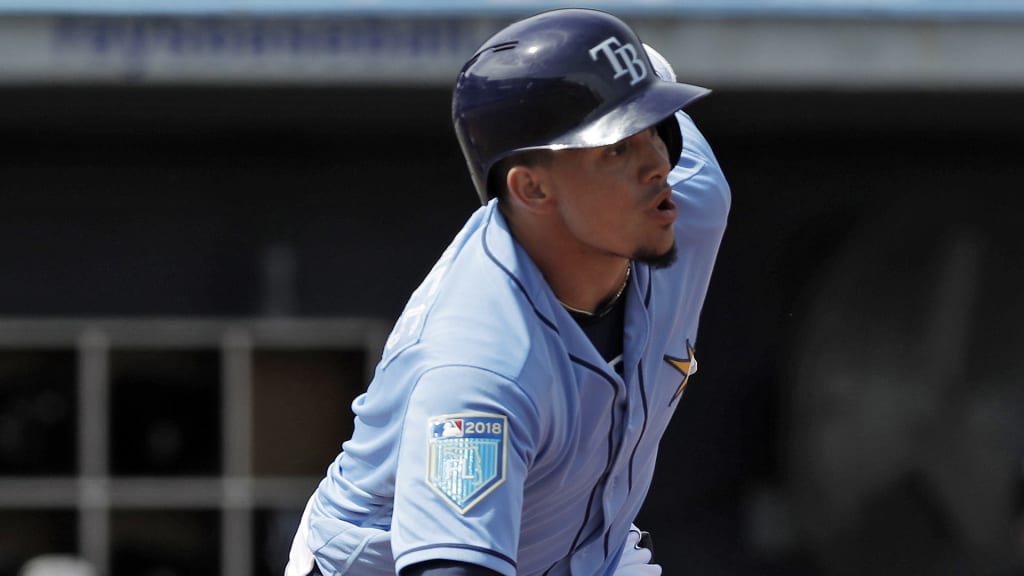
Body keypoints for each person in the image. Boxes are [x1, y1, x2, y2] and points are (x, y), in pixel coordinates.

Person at [285, 8, 730, 576]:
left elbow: (650, 79)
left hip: (585, 551)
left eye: (659, 130)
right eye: (616, 147)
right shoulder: (478, 366)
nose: (657, 165)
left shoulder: (687, 201)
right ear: (532, 187)